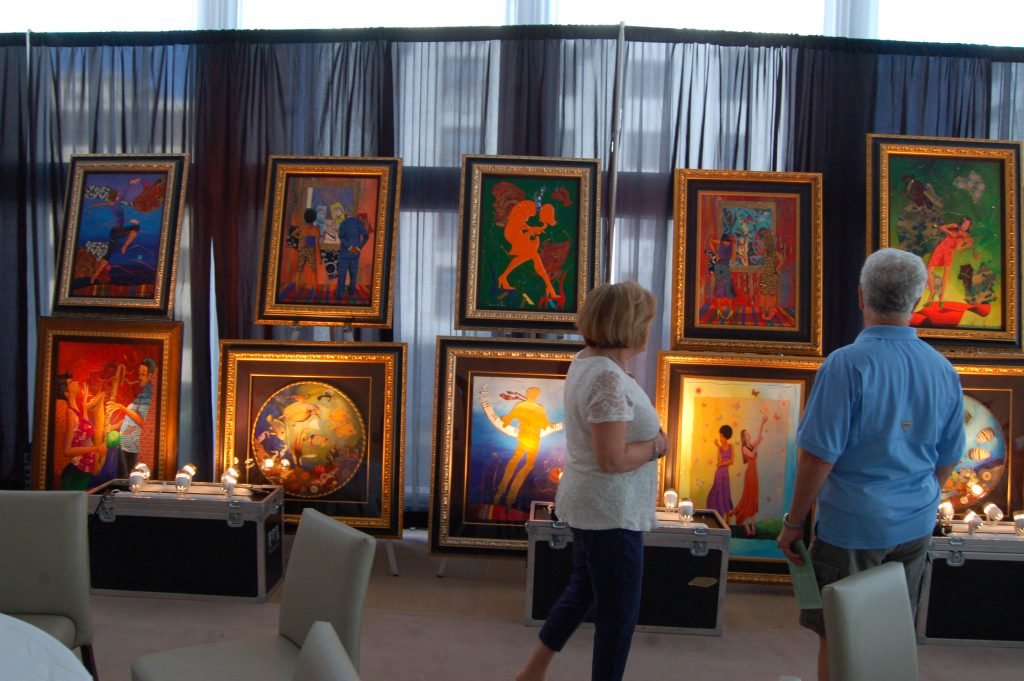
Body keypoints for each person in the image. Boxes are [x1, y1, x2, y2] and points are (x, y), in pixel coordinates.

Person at [776, 248, 964, 681]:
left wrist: (794, 521)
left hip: (852, 526)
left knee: (839, 635)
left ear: (861, 296)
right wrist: (916, 497)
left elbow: (818, 457)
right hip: (915, 524)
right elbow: (948, 458)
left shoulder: (846, 364)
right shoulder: (942, 369)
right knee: (889, 633)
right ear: (918, 300)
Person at [515, 280, 668, 681]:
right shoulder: (605, 377)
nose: (650, 328)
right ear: (630, 324)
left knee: (583, 590)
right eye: (647, 320)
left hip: (594, 505)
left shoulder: (589, 362)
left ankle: (532, 672)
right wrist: (657, 445)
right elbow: (612, 459)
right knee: (618, 616)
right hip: (610, 512)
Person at [493, 386, 554, 508]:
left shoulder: (528, 406)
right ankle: (506, 495)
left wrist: (506, 420)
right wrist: (506, 420)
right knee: (519, 462)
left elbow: (543, 423)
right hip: (530, 438)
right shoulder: (534, 407)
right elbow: (543, 423)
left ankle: (505, 494)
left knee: (520, 463)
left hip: (531, 438)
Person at [111, 358, 157, 477]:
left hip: (131, 446)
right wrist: (113, 427)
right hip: (125, 444)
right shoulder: (144, 392)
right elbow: (129, 418)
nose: (139, 377)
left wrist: (122, 408)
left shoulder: (148, 394)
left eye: (143, 374)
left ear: (151, 375)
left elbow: (142, 421)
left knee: (126, 479)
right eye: (139, 374)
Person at [923, 216, 976, 310]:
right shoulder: (954, 226)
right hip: (941, 248)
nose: (965, 226)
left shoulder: (965, 235)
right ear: (961, 222)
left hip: (949, 252)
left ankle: (941, 298)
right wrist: (951, 233)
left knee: (946, 274)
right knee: (929, 270)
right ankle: (932, 293)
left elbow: (957, 248)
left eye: (967, 225)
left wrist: (966, 246)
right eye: (964, 223)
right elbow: (942, 227)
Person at [732, 413, 767, 536]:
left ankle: (752, 525)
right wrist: (757, 445)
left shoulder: (751, 445)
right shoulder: (744, 447)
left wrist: (762, 422)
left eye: (748, 433)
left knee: (753, 498)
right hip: (750, 474)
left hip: (754, 473)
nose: (748, 434)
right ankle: (747, 525)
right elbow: (752, 455)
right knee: (748, 498)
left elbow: (758, 437)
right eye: (746, 433)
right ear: (744, 436)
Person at [705, 424, 735, 522]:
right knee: (718, 494)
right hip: (718, 474)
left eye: (721, 436)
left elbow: (731, 461)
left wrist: (722, 464)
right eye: (720, 436)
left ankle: (727, 522)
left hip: (725, 474)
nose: (720, 438)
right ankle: (718, 519)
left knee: (726, 494)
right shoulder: (720, 447)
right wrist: (718, 447)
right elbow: (719, 460)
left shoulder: (731, 446)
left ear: (726, 436)